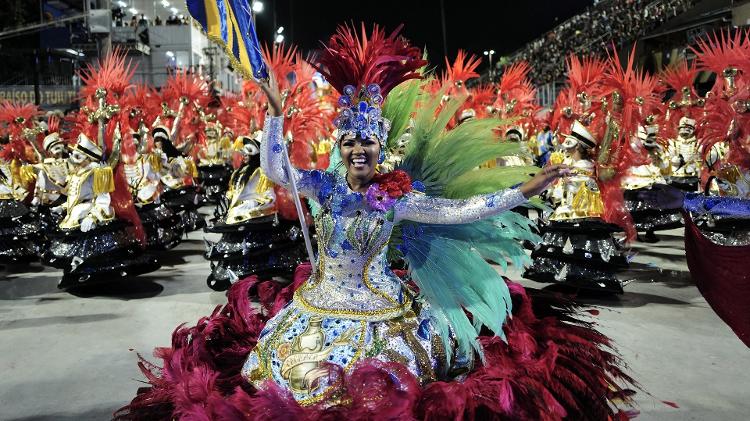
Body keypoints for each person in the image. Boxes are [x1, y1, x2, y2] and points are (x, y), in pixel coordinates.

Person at [118, 24, 633, 420]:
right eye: (351, 142)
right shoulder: (322, 186)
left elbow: (458, 211)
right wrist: (275, 113)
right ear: (341, 147)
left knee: (389, 376)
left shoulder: (395, 197)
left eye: (368, 143)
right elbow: (276, 168)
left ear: (379, 147)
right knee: (288, 371)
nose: (359, 150)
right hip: (320, 300)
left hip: (381, 305)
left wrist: (527, 188)